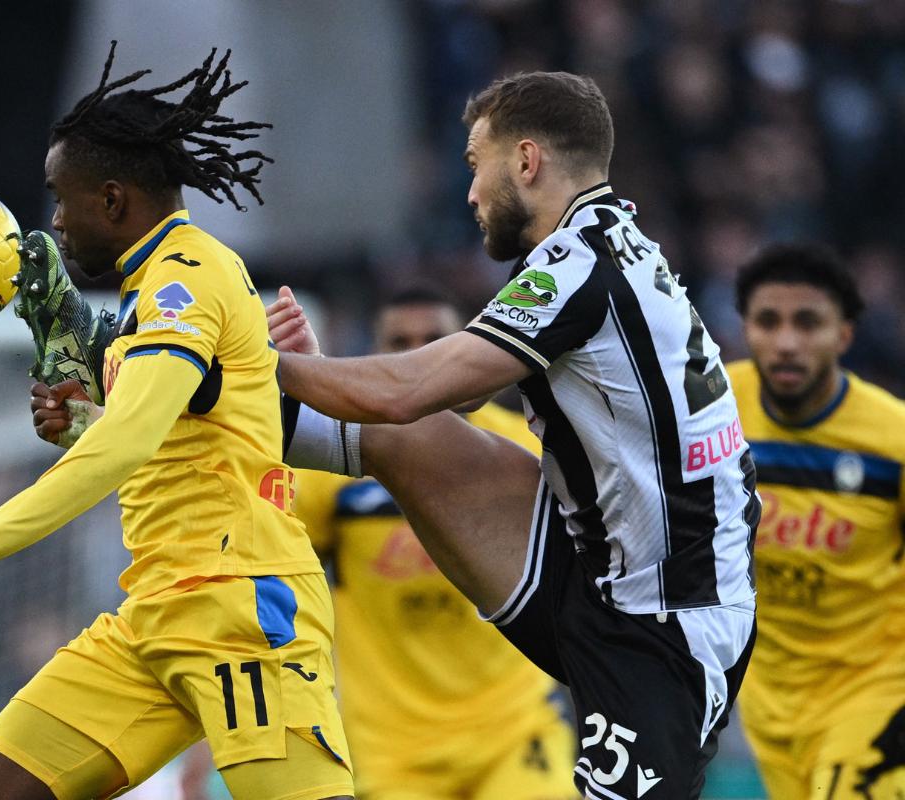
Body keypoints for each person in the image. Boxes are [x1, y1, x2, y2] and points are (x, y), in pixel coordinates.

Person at [0, 44, 354, 800]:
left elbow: (130, 441)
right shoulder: (145, 294)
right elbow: (167, 430)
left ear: (115, 199)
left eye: (61, 200)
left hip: (239, 612)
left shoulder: (185, 282)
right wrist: (84, 418)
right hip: (153, 616)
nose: (55, 222)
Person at [266, 71, 760, 799]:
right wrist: (304, 378)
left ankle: (177, 374)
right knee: (407, 441)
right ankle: (134, 392)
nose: (469, 193)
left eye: (476, 165)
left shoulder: (576, 267)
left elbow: (410, 389)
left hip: (666, 628)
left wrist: (257, 360)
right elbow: (438, 405)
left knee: (396, 418)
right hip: (599, 571)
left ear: (526, 162)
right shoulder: (612, 242)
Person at [292, 287, 577, 799]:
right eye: (400, 342)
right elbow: (266, 589)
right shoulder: (332, 465)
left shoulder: (525, 449)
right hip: (389, 749)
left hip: (513, 730)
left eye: (434, 340)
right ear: (374, 355)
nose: (418, 355)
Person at [729, 244, 905, 799]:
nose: (786, 343)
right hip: (771, 699)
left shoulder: (892, 441)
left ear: (843, 335)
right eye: (768, 321)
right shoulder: (709, 411)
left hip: (876, 688)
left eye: (808, 323)